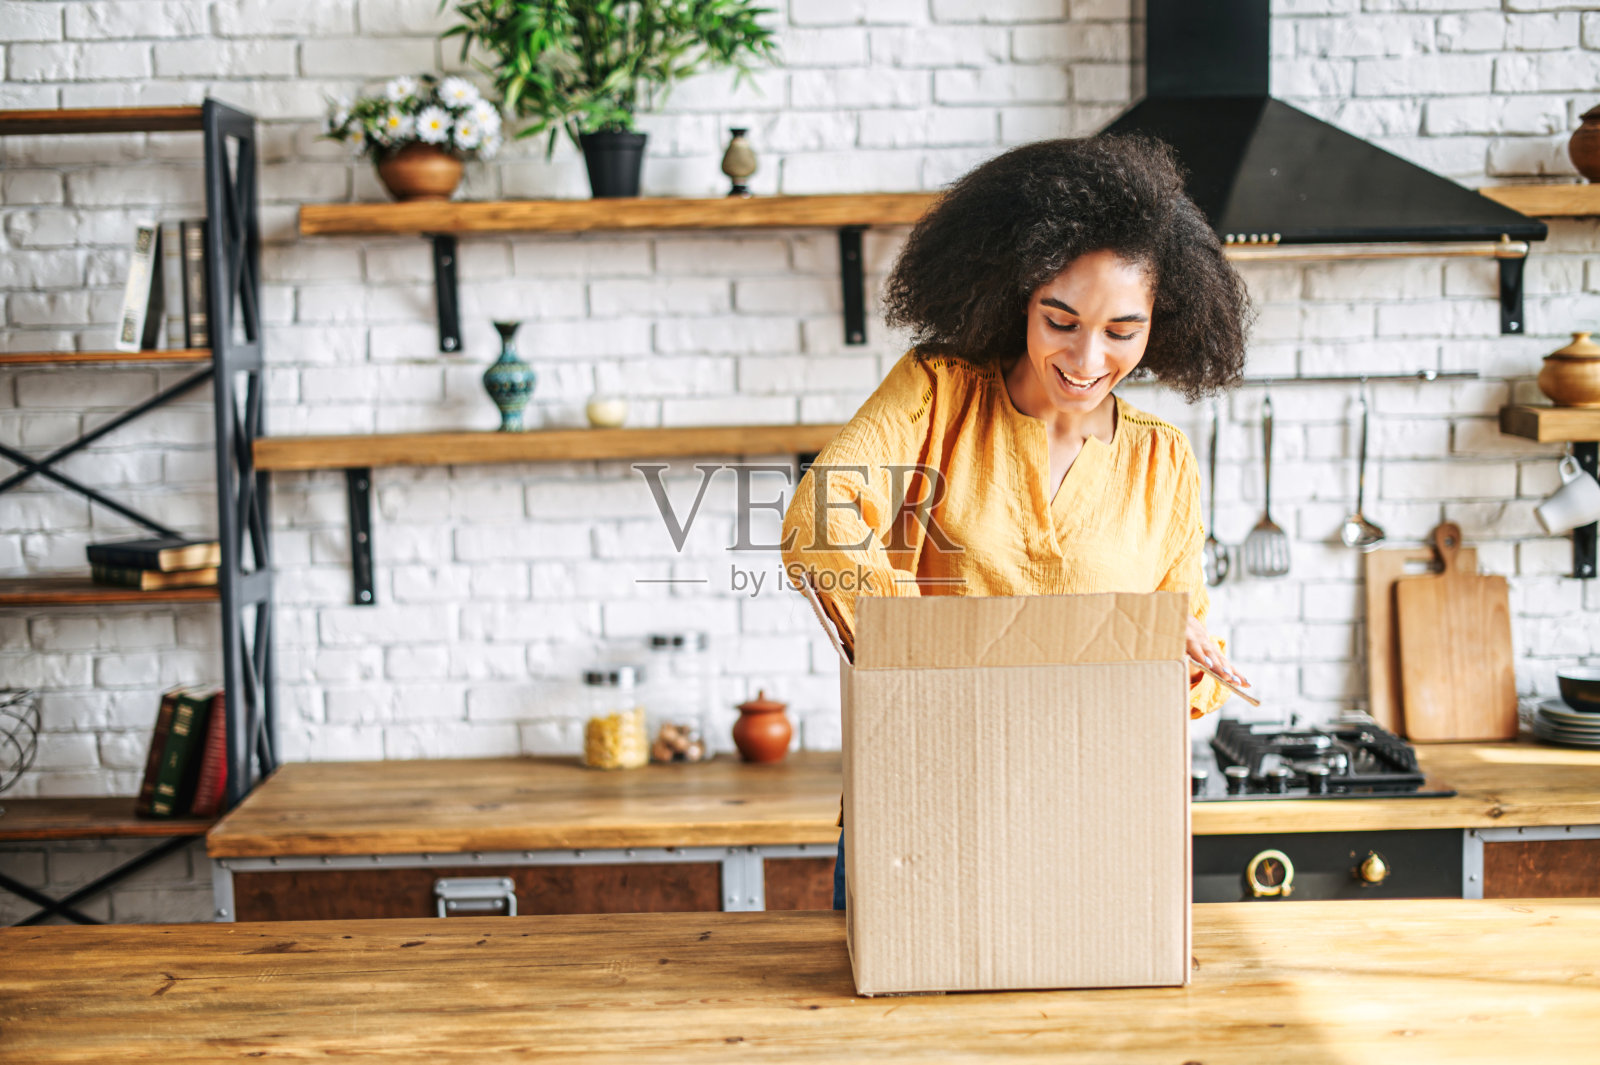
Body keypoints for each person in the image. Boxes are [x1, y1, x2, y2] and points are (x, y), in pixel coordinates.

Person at [779, 135, 1254, 912]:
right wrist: (936, 648)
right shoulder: (936, 393)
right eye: (1060, 319)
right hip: (921, 800)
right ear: (1018, 294)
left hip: (1084, 818)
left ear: (1159, 324)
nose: (1087, 358)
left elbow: (1180, 658)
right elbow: (819, 523)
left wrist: (1180, 653)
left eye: (1121, 331)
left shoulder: (1162, 461)